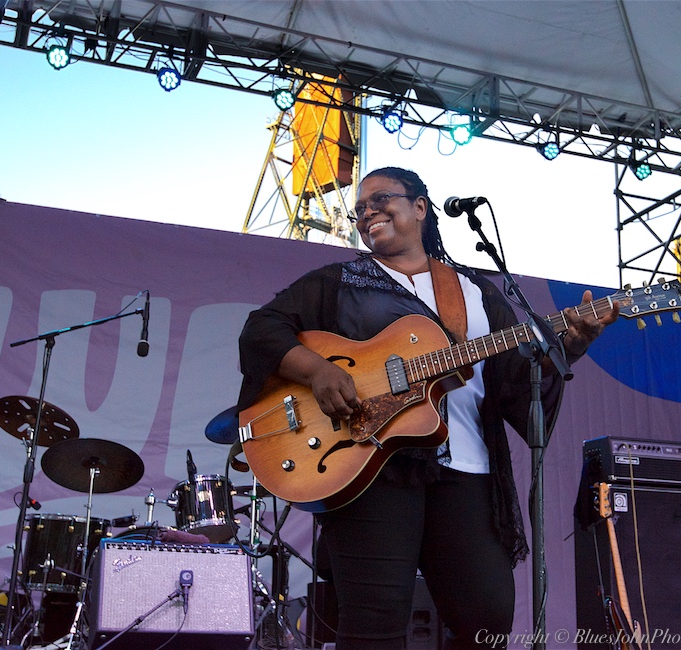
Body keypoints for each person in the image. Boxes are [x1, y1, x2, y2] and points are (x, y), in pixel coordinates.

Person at [237, 167, 618, 649]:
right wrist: (318, 372)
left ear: (420, 207)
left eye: (379, 199)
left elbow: (515, 383)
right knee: (374, 622)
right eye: (359, 209)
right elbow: (261, 331)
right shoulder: (338, 282)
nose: (366, 212)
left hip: (467, 470)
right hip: (373, 468)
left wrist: (573, 345)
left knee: (488, 618)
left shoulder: (475, 292)